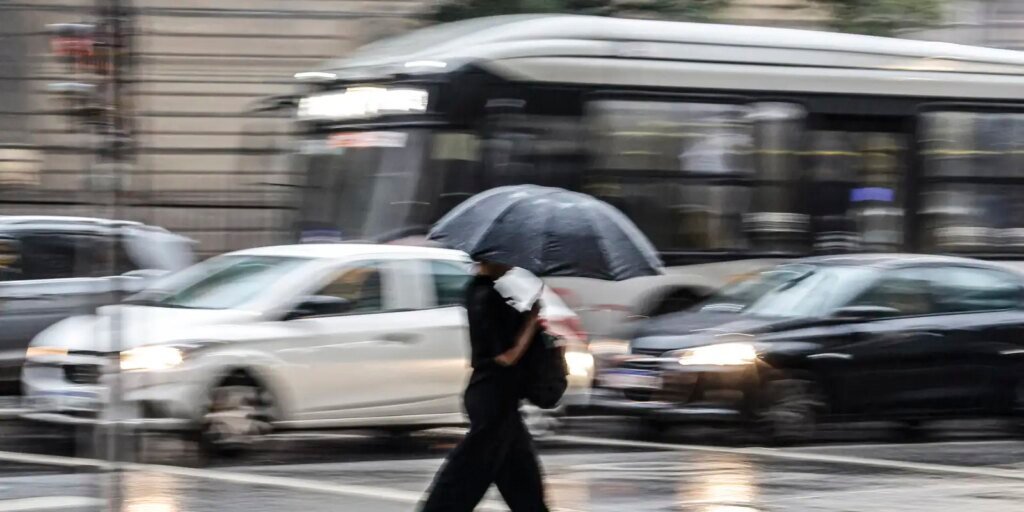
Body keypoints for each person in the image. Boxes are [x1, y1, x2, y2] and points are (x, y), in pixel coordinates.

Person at [419, 259, 549, 512]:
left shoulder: (483, 290)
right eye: (506, 256)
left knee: (520, 475)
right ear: (490, 258)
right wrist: (532, 323)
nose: (512, 262)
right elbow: (505, 357)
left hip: (496, 397)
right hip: (493, 397)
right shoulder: (486, 296)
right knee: (466, 471)